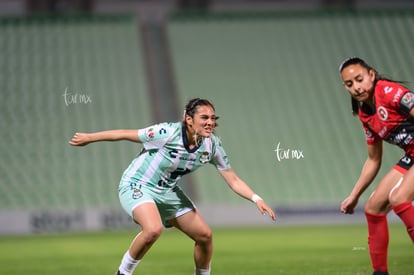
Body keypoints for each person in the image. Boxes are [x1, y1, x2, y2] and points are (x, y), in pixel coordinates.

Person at [69, 97, 276, 275]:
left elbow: (233, 179)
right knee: (152, 230)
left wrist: (256, 198)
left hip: (167, 191)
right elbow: (125, 133)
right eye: (204, 117)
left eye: (213, 118)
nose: (210, 122)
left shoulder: (212, 145)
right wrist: (89, 137)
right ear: (188, 119)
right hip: (137, 183)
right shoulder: (166, 132)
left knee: (205, 236)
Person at [339, 57, 414, 275]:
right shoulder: (365, 113)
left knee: (398, 197)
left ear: (371, 75)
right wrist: (354, 196)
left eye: (359, 79)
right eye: (349, 84)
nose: (356, 87)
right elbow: (373, 160)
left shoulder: (389, 92)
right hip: (411, 155)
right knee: (373, 208)